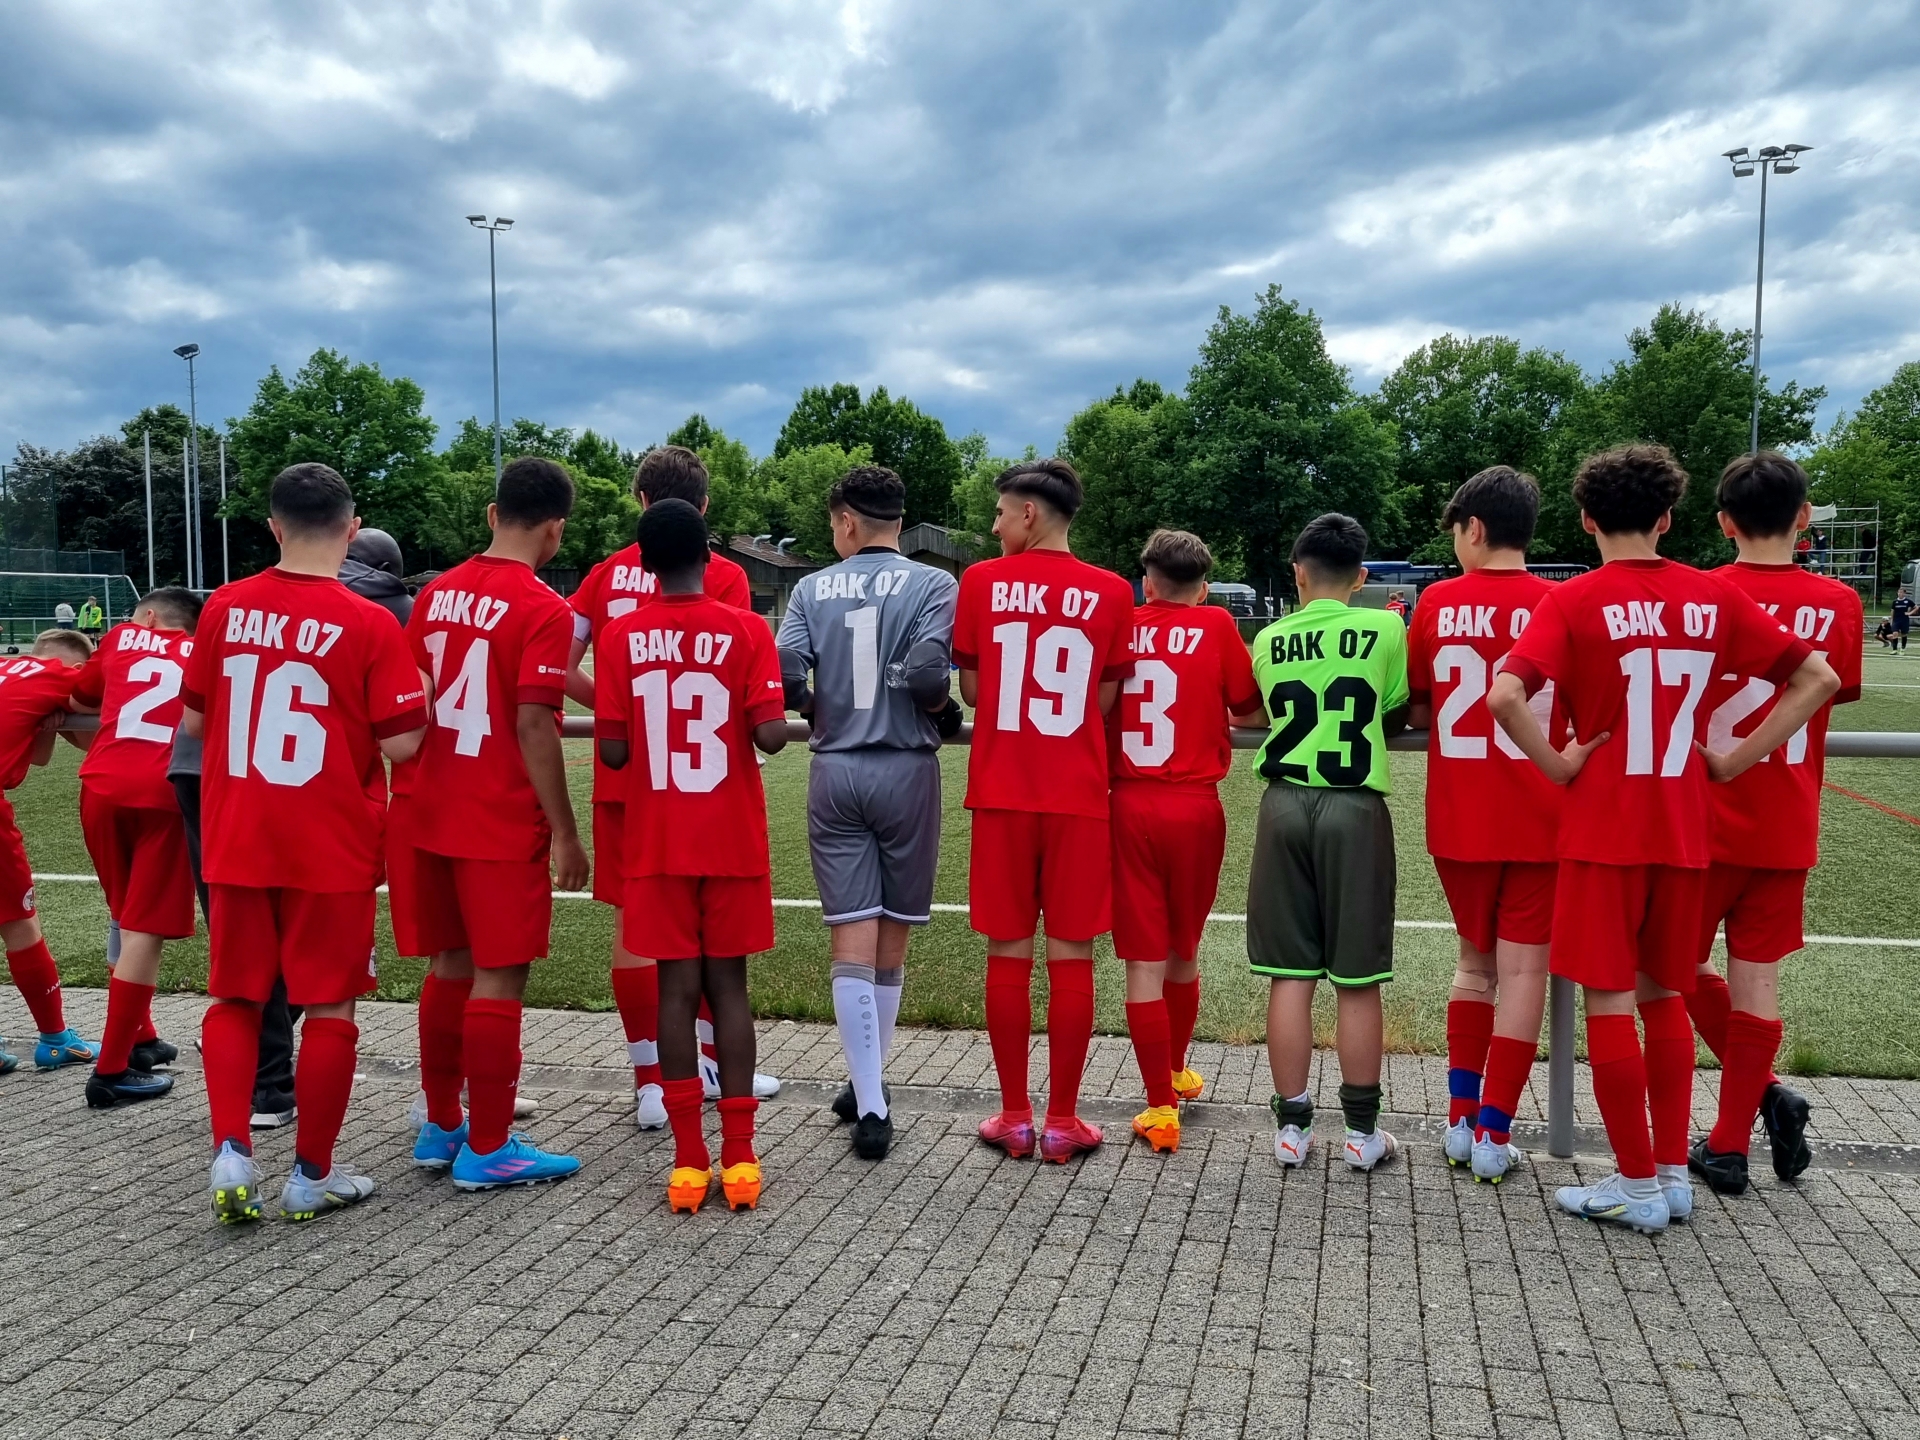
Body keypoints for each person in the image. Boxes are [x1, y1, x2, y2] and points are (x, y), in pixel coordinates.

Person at [1489, 444, 1838, 1235]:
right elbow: (1816, 678)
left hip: (1604, 830)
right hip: (1686, 829)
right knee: (1665, 992)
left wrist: (1559, 764)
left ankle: (1638, 1184)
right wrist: (1733, 759)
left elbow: (1505, 695)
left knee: (1612, 1000)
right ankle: (1673, 1176)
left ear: (1586, 520)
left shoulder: (1572, 600)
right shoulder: (1712, 595)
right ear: (1669, 518)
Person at [182, 462, 428, 1224]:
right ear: (352, 530)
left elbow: (194, 720)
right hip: (330, 836)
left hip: (239, 828)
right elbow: (405, 743)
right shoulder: (369, 622)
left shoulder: (224, 607)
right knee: (329, 1004)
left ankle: (232, 1150)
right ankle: (311, 1173)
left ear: (273, 526)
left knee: (235, 995)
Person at [564, 444, 779, 1129]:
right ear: (705, 509)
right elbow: (742, 697)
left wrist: (625, 709)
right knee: (717, 950)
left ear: (639, 503)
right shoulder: (726, 581)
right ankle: (713, 1067)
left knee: (642, 931)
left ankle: (651, 1080)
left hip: (634, 781)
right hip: (709, 793)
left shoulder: (605, 576)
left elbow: (559, 661)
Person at [394, 457, 586, 1190]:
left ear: (491, 514)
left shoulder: (435, 593)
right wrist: (565, 830)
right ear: (556, 530)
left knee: (449, 964)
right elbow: (534, 722)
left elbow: (414, 694)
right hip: (496, 809)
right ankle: (491, 1145)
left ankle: (443, 1124)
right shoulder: (544, 608)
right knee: (500, 976)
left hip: (427, 800)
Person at [595, 498, 788, 1213]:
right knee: (728, 989)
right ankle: (739, 1156)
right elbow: (770, 737)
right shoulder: (746, 628)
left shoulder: (621, 635)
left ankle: (686, 1161)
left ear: (644, 564)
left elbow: (615, 750)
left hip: (657, 838)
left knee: (674, 990)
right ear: (710, 556)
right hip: (729, 834)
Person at [774, 465, 960, 1160]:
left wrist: (815, 707)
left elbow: (785, 675)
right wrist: (943, 711)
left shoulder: (810, 588)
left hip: (836, 768)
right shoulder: (935, 583)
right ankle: (872, 1094)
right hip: (906, 769)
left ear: (846, 521)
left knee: (851, 936)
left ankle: (869, 1094)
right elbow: (927, 676)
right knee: (892, 941)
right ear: (899, 520)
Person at [1688, 452, 1863, 1194]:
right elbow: (1833, 693)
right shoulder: (1839, 602)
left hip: (1702, 815)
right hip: (1785, 814)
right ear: (1804, 516)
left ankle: (1758, 1102)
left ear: (1724, 522)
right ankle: (1733, 1138)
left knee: (1664, 967)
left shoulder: (1701, 594)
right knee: (1757, 977)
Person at [953, 459, 1135, 1163]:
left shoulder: (979, 582)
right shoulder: (1112, 590)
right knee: (1071, 954)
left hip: (1003, 790)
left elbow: (973, 692)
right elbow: (1105, 700)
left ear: (1029, 513)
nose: (995, 524)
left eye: (1001, 512)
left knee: (1007, 951)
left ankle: (1013, 1115)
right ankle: (1062, 1120)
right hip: (1077, 794)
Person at [1405, 468, 1562, 1183]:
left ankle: (1460, 1121)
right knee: (1526, 970)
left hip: (1461, 812)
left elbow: (1419, 706)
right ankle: (1496, 1134)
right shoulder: (1559, 602)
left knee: (1474, 966)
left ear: (1473, 528)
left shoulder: (1438, 602)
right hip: (1540, 813)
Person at [1249, 514, 1409, 1172]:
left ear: (1298, 573)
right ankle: (1360, 1134)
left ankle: (1291, 1130)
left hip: (1283, 803)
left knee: (1290, 975)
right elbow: (1393, 710)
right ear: (1362, 577)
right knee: (1357, 978)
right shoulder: (1386, 627)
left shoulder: (1268, 637)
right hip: (1353, 805)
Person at [1108, 529, 1262, 1155]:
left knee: (1142, 960)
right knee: (1183, 949)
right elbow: (1249, 712)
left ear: (1147, 582)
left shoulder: (1121, 623)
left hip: (1129, 802)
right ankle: (1172, 1073)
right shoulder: (1218, 624)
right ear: (1203, 587)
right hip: (1195, 806)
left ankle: (1160, 1103)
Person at [72, 587, 203, 1108]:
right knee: (142, 929)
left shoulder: (121, 637)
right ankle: (111, 1070)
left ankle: (140, 1036)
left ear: (147, 617)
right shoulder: (202, 652)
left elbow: (79, 698)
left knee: (124, 916)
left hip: (101, 785)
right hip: (164, 793)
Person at [0, 630, 99, 1076]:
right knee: (20, 923)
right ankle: (56, 1039)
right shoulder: (61, 674)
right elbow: (98, 718)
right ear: (77, 668)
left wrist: (48, 720)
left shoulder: (7, 668)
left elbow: (36, 757)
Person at [1893, 587, 1912, 652]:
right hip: (1896, 620)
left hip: (1904, 620)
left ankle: (1903, 648)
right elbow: (1892, 611)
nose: (1899, 593)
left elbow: (1916, 607)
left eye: (1901, 592)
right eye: (1898, 592)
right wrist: (1892, 620)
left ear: (1904, 593)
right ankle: (1894, 649)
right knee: (1895, 633)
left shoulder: (1908, 601)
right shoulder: (1895, 601)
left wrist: (1910, 613)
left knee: (1904, 634)